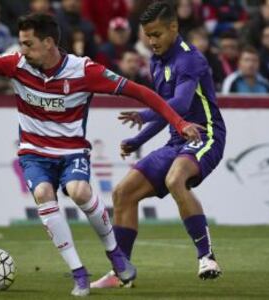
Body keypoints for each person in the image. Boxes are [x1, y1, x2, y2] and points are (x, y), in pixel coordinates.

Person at [0, 2, 202, 296]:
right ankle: (79, 273)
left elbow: (140, 92)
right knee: (42, 194)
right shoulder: (16, 65)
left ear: (48, 43)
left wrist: (177, 122)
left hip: (72, 151)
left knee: (79, 192)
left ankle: (114, 253)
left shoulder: (84, 70)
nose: (22, 50)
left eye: (28, 43)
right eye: (21, 43)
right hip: (34, 152)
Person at [91, 1, 226, 289]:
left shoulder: (190, 59)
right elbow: (169, 114)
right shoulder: (157, 61)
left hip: (205, 134)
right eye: (148, 36)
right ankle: (120, 272)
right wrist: (137, 140)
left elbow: (180, 103)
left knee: (176, 179)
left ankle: (207, 257)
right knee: (122, 193)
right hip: (177, 139)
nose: (151, 41)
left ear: (174, 28)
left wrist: (143, 115)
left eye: (157, 35)